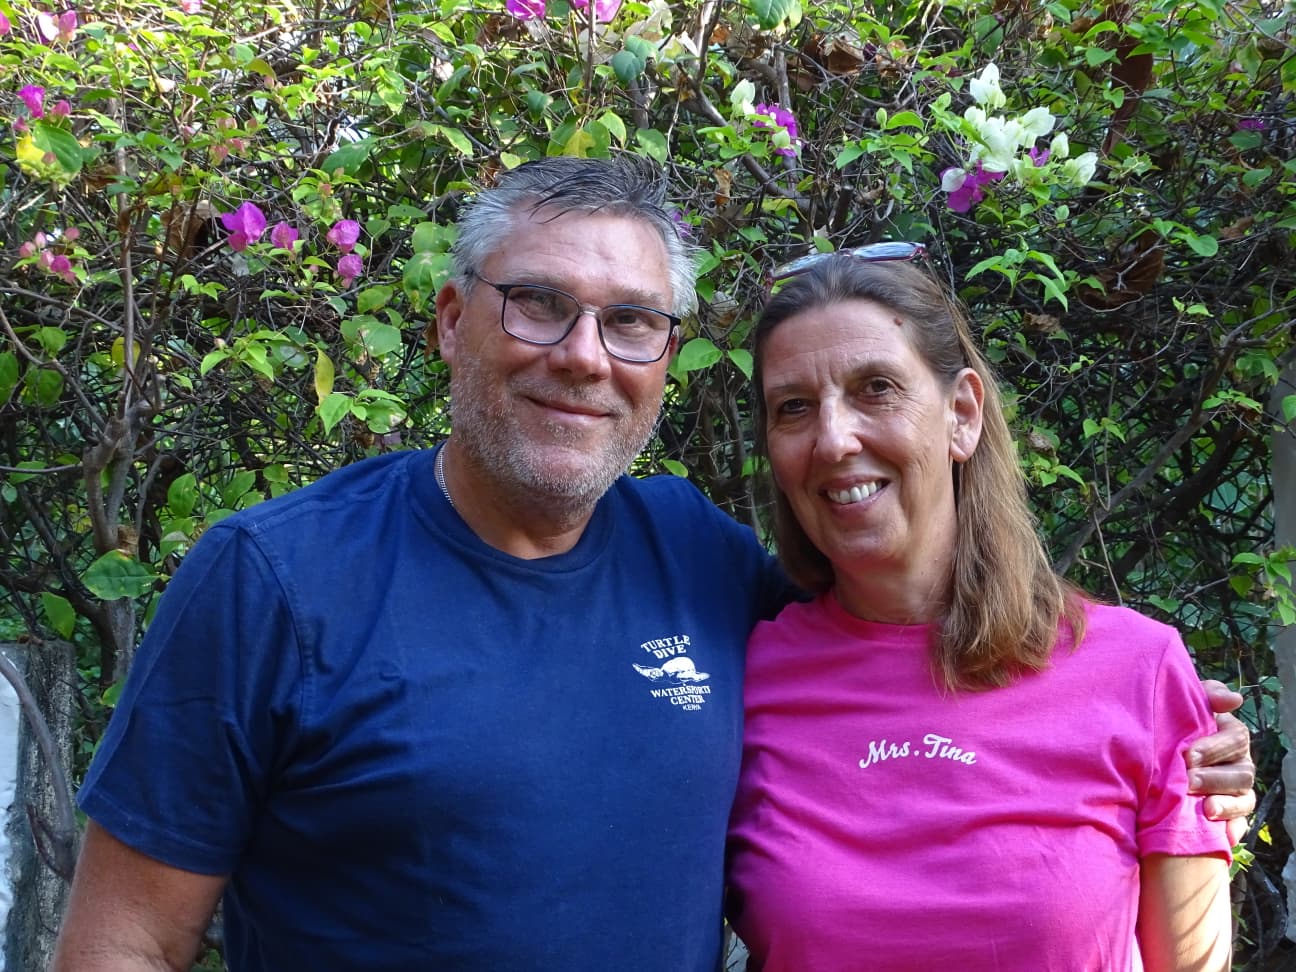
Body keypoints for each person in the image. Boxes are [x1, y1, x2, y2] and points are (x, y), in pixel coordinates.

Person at [52, 158, 1251, 972]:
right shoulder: (273, 580)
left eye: (630, 321)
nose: (584, 356)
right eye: (537, 305)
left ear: (665, 359)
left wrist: (1171, 747)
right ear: (450, 323)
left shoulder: (699, 563)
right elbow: (125, 943)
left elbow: (912, 664)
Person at [725, 252, 1235, 971]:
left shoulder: (1138, 670)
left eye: (876, 388)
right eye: (794, 407)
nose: (834, 439)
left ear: (961, 415)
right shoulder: (742, 681)